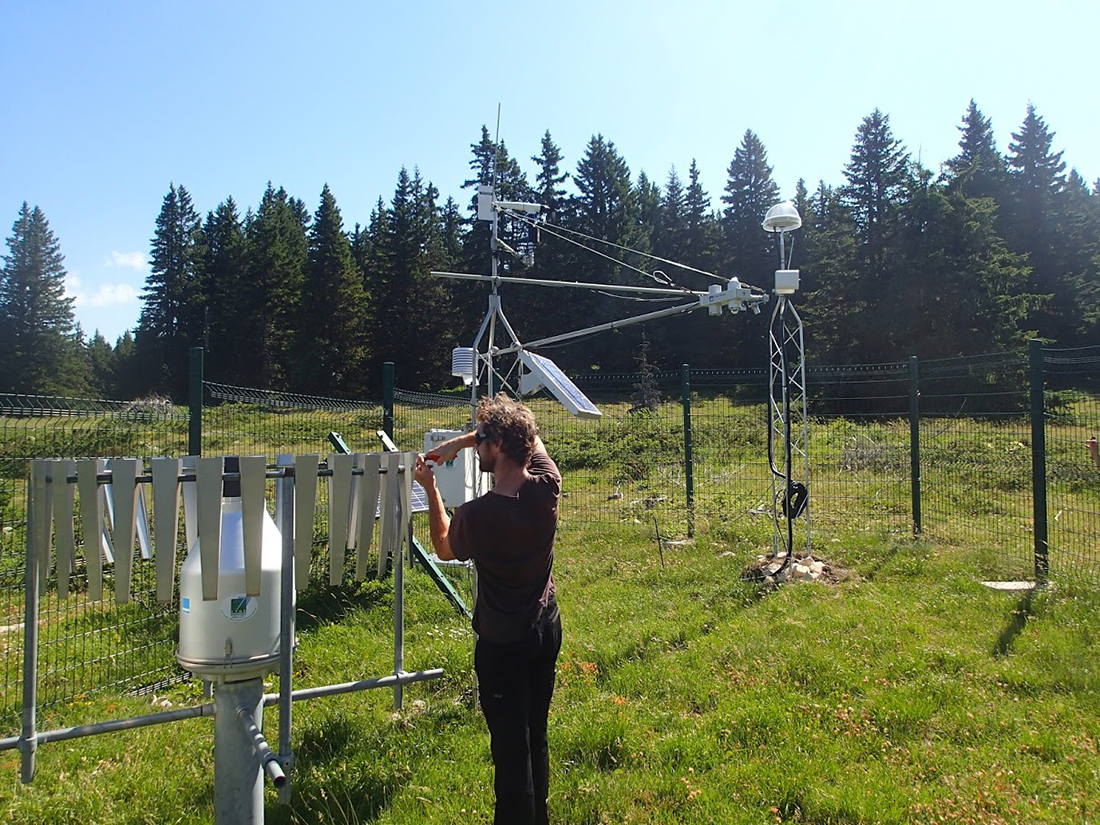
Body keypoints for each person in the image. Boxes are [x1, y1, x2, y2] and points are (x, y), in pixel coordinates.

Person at [414, 393, 562, 825]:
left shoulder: (476, 515)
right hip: (545, 628)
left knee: (510, 752)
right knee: (535, 734)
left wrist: (430, 487)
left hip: (503, 644)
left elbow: (443, 547)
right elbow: (530, 439)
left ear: (496, 445)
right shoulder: (546, 484)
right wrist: (463, 443)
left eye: (481, 439)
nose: (475, 445)